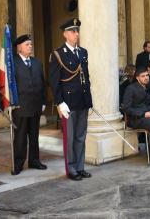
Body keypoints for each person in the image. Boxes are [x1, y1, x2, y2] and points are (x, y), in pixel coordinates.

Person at [49, 18, 92, 181]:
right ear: (65, 34)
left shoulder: (83, 52)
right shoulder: (58, 54)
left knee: (81, 136)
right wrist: (60, 102)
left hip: (82, 101)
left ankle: (80, 167)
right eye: (73, 31)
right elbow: (54, 82)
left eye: (77, 31)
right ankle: (71, 168)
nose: (76, 34)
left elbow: (86, 77)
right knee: (70, 137)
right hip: (68, 103)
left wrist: (89, 99)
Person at [12, 35, 47, 175]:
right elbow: (10, 86)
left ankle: (34, 160)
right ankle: (18, 163)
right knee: (20, 136)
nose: (30, 46)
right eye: (27, 44)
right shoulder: (12, 64)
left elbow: (42, 83)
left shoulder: (37, 62)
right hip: (20, 107)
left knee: (34, 135)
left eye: (31, 44)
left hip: (35, 105)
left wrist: (43, 101)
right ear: (19, 47)